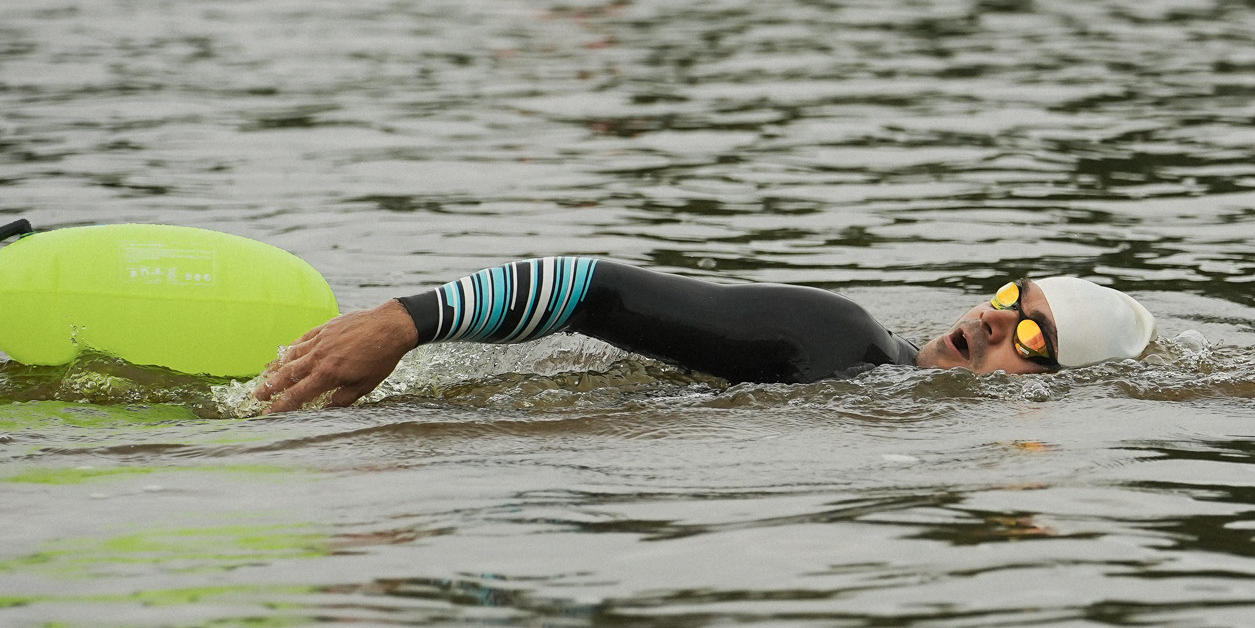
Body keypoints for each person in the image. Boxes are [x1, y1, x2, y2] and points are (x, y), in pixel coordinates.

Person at [253, 258, 1157, 413]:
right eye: (1009, 296)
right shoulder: (835, 341)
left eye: (1029, 335)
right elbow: (596, 291)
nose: (993, 317)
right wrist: (406, 321)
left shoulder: (870, 386)